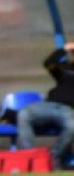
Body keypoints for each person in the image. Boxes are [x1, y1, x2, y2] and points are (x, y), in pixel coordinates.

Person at [17, 41, 74, 169]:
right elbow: (48, 63)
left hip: (69, 111)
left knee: (73, 126)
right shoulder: (65, 69)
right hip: (49, 105)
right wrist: (64, 49)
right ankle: (30, 157)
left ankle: (54, 156)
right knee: (24, 113)